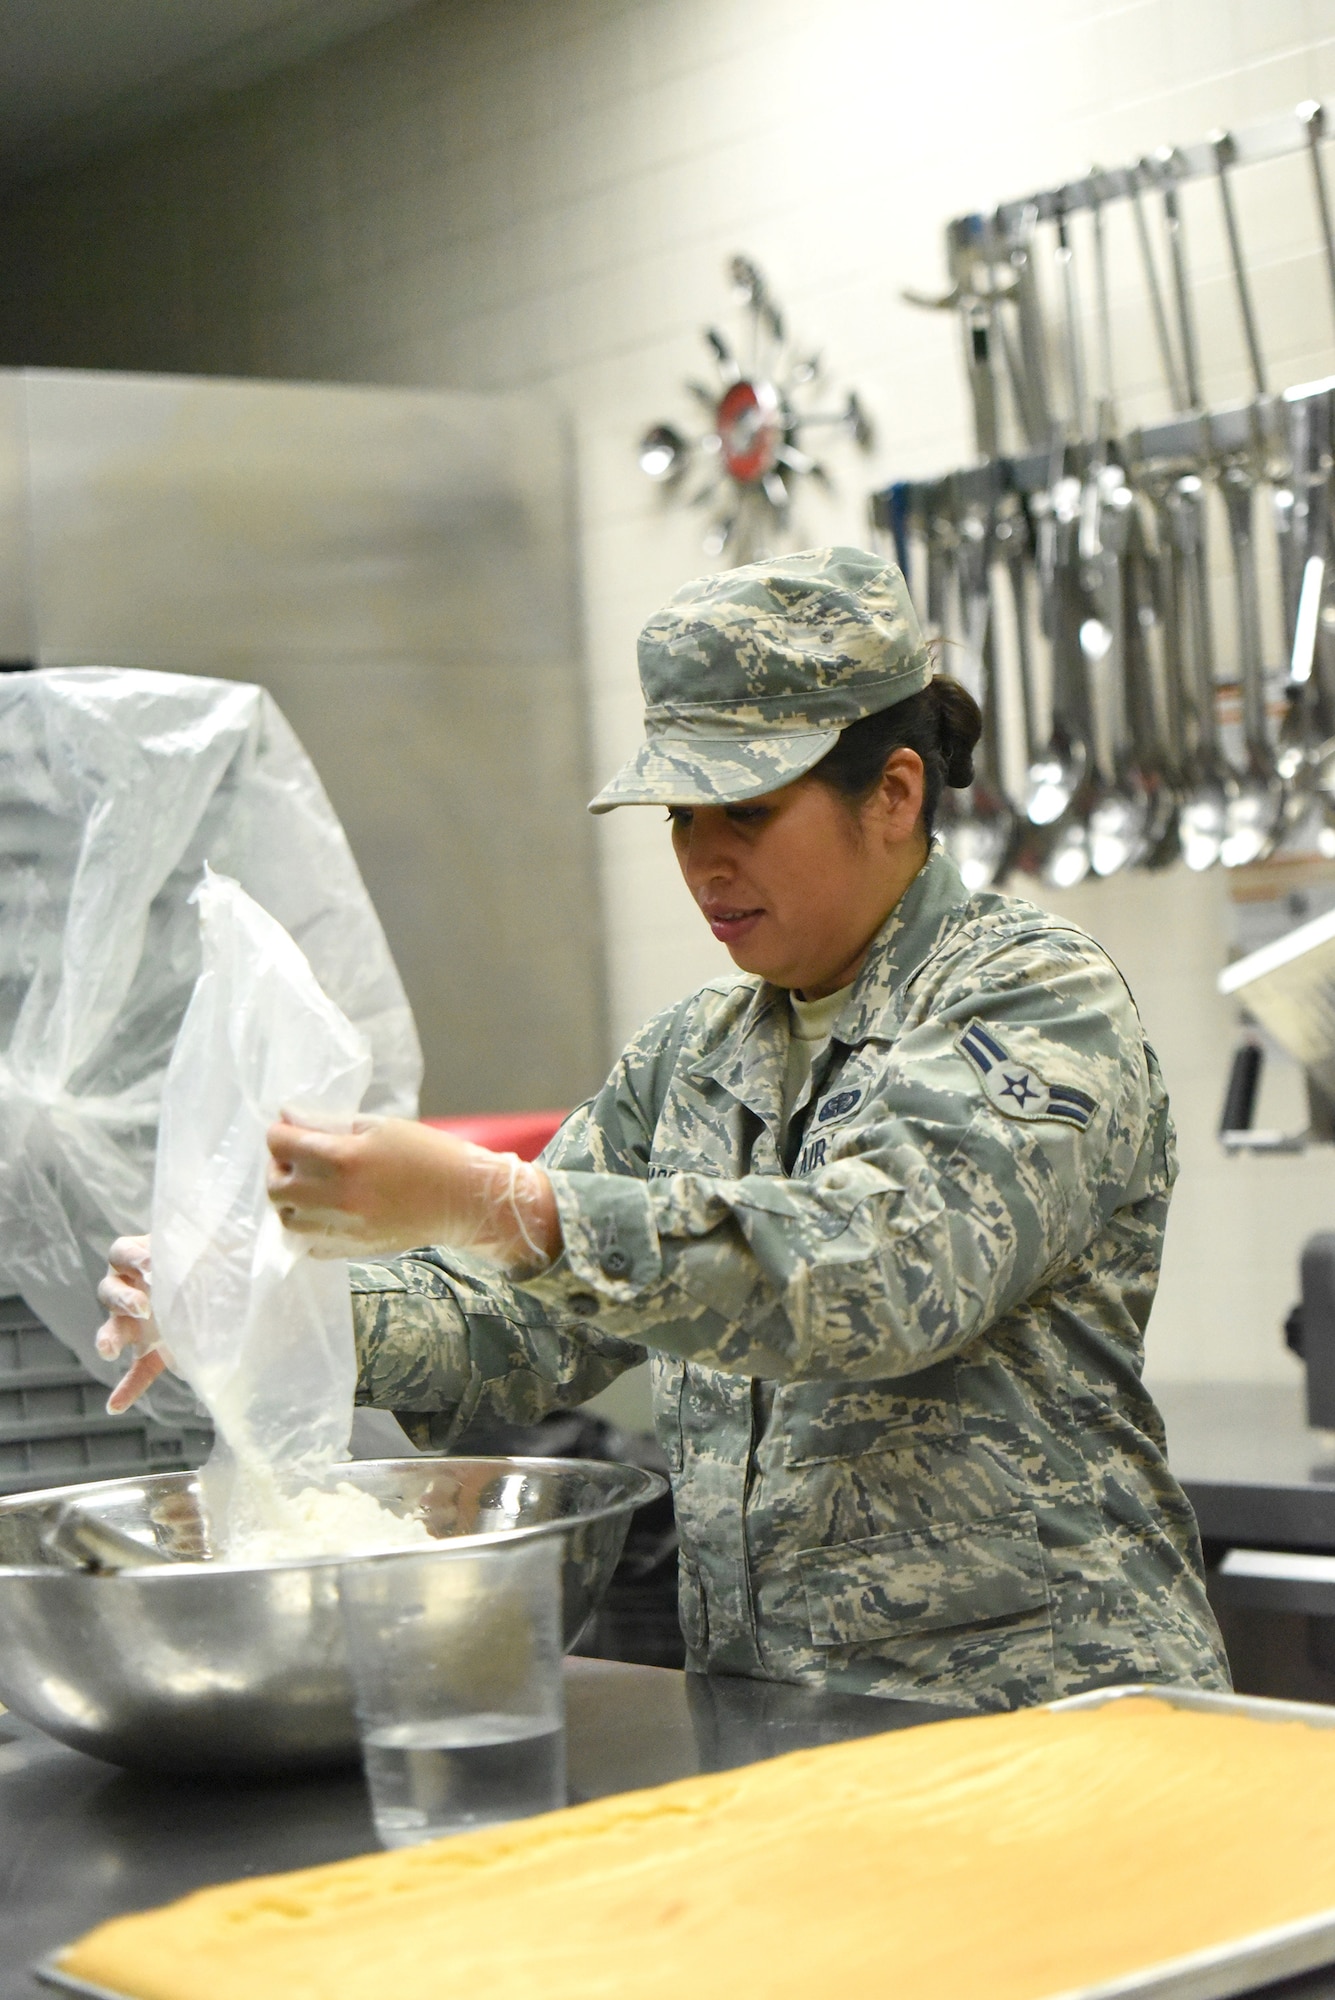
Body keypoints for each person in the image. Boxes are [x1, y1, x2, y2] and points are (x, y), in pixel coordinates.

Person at [99, 546, 1229, 1711]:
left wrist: (503, 1200)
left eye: (747, 809)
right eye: (682, 815)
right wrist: (271, 1306)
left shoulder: (1033, 997)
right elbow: (517, 1325)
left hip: (1044, 1726)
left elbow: (878, 1271)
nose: (704, 859)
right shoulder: (695, 1055)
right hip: (781, 1722)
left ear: (893, 794)